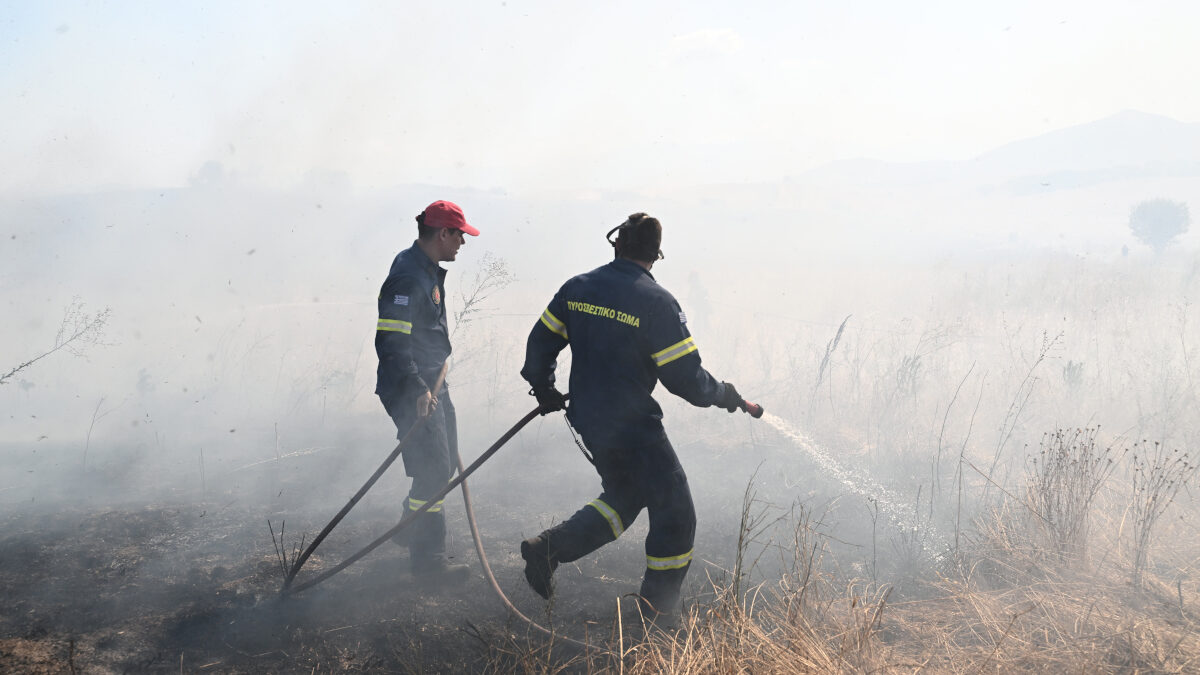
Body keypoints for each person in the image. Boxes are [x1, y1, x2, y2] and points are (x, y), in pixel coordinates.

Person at [519, 212, 748, 618]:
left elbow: (540, 342)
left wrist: (544, 387)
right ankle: (659, 614)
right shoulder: (657, 303)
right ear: (656, 255)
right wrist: (725, 394)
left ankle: (549, 549)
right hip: (633, 426)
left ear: (617, 244)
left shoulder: (578, 287)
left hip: (589, 419)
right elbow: (686, 379)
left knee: (626, 496)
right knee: (676, 514)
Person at [375, 199, 479, 581]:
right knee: (433, 469)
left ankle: (410, 525)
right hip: (411, 387)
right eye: (460, 236)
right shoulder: (408, 277)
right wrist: (418, 388)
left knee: (444, 464)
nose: (462, 243)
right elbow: (391, 342)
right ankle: (428, 562)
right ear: (443, 233)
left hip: (432, 382)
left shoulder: (426, 269)